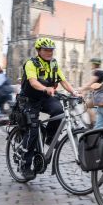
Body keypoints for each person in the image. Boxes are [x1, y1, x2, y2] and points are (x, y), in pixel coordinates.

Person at [17, 37, 79, 180]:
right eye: (46, 50)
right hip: (29, 99)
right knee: (32, 130)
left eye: (51, 50)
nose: (49, 52)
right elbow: (32, 82)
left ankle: (49, 138)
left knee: (59, 111)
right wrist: (45, 88)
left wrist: (74, 92)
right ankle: (25, 166)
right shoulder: (31, 64)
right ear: (39, 51)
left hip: (45, 97)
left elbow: (63, 81)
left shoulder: (54, 64)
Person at [79, 58, 103, 129]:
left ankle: (92, 122)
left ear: (94, 64)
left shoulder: (97, 72)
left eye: (92, 64)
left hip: (102, 99)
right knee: (101, 125)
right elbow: (94, 86)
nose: (91, 65)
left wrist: (80, 89)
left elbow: (89, 84)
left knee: (86, 105)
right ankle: (94, 124)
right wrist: (85, 92)